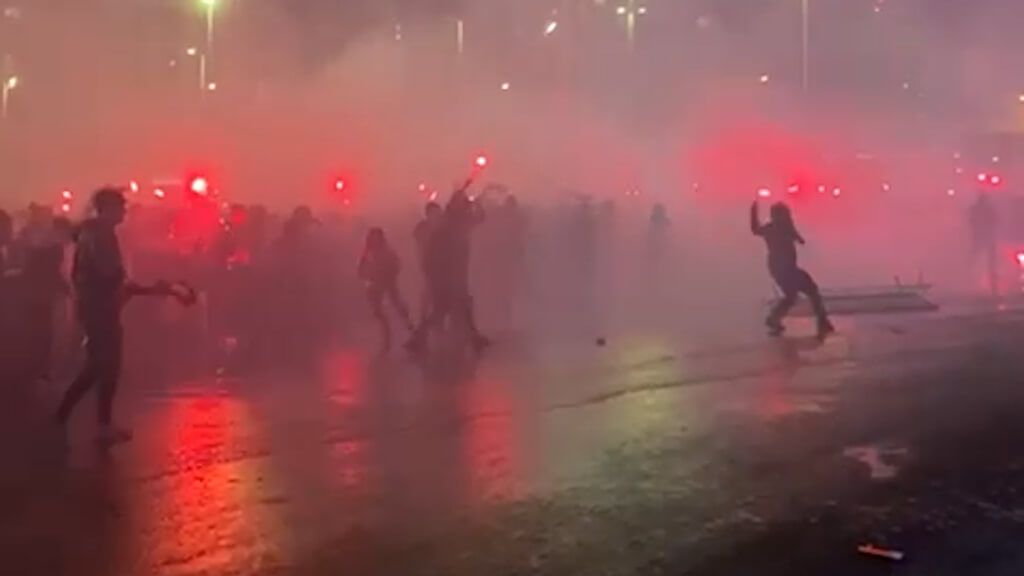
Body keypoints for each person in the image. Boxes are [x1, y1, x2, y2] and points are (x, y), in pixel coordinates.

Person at [55, 188, 171, 445]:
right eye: (120, 206)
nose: (125, 211)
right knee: (103, 364)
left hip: (98, 306)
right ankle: (80, 419)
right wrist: (147, 289)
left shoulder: (95, 233)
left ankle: (81, 419)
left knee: (101, 365)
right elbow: (109, 275)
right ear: (106, 209)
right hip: (99, 308)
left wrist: (146, 289)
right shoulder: (98, 236)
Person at [406, 190, 490, 353]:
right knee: (447, 308)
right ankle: (418, 339)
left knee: (452, 308)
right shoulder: (449, 225)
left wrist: (476, 204)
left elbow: (480, 218)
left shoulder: (455, 222)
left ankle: (418, 339)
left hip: (453, 272)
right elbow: (437, 252)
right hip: (448, 274)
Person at [750, 201, 833, 338]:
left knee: (792, 296)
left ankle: (773, 319)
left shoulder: (783, 228)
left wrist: (800, 239)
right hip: (784, 269)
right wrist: (753, 211)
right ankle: (822, 321)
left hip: (782, 268)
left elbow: (798, 238)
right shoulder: (775, 228)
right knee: (810, 290)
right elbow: (755, 229)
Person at [358, 227, 413, 351]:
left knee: (399, 309)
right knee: (379, 313)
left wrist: (388, 275)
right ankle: (387, 339)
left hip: (388, 284)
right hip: (375, 285)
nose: (374, 239)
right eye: (372, 237)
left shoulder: (387, 251)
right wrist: (366, 275)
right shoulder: (368, 252)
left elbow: (397, 265)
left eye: (377, 236)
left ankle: (411, 331)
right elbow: (361, 267)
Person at [413, 201, 443, 322]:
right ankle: (424, 318)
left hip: (443, 263)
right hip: (428, 263)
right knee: (429, 290)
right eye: (434, 213)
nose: (436, 215)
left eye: (438, 213)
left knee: (440, 291)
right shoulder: (422, 227)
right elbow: (421, 246)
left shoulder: (443, 226)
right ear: (428, 214)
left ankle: (437, 317)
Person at [968, 193, 998, 295]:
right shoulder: (986, 209)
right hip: (984, 234)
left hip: (981, 234)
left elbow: (971, 220)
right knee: (987, 254)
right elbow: (995, 220)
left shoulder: (976, 209)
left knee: (979, 253)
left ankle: (971, 269)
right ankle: (990, 272)